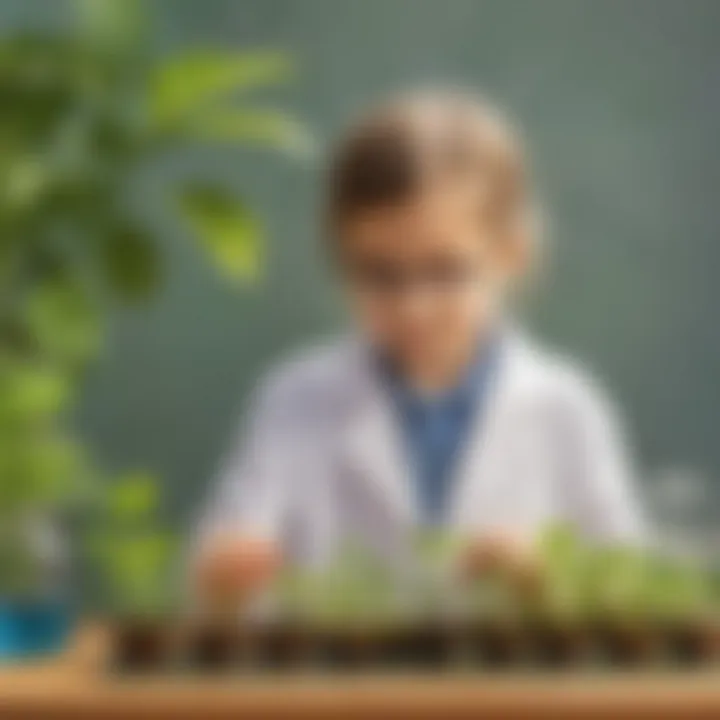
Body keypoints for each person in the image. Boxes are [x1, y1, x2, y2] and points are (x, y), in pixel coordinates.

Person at [192, 90, 644, 605]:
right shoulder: (294, 401)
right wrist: (225, 573)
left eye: (445, 271)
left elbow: (632, 592)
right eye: (380, 275)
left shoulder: (568, 410)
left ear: (512, 253)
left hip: (518, 684)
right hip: (335, 683)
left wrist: (546, 578)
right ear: (340, 260)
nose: (413, 307)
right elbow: (222, 568)